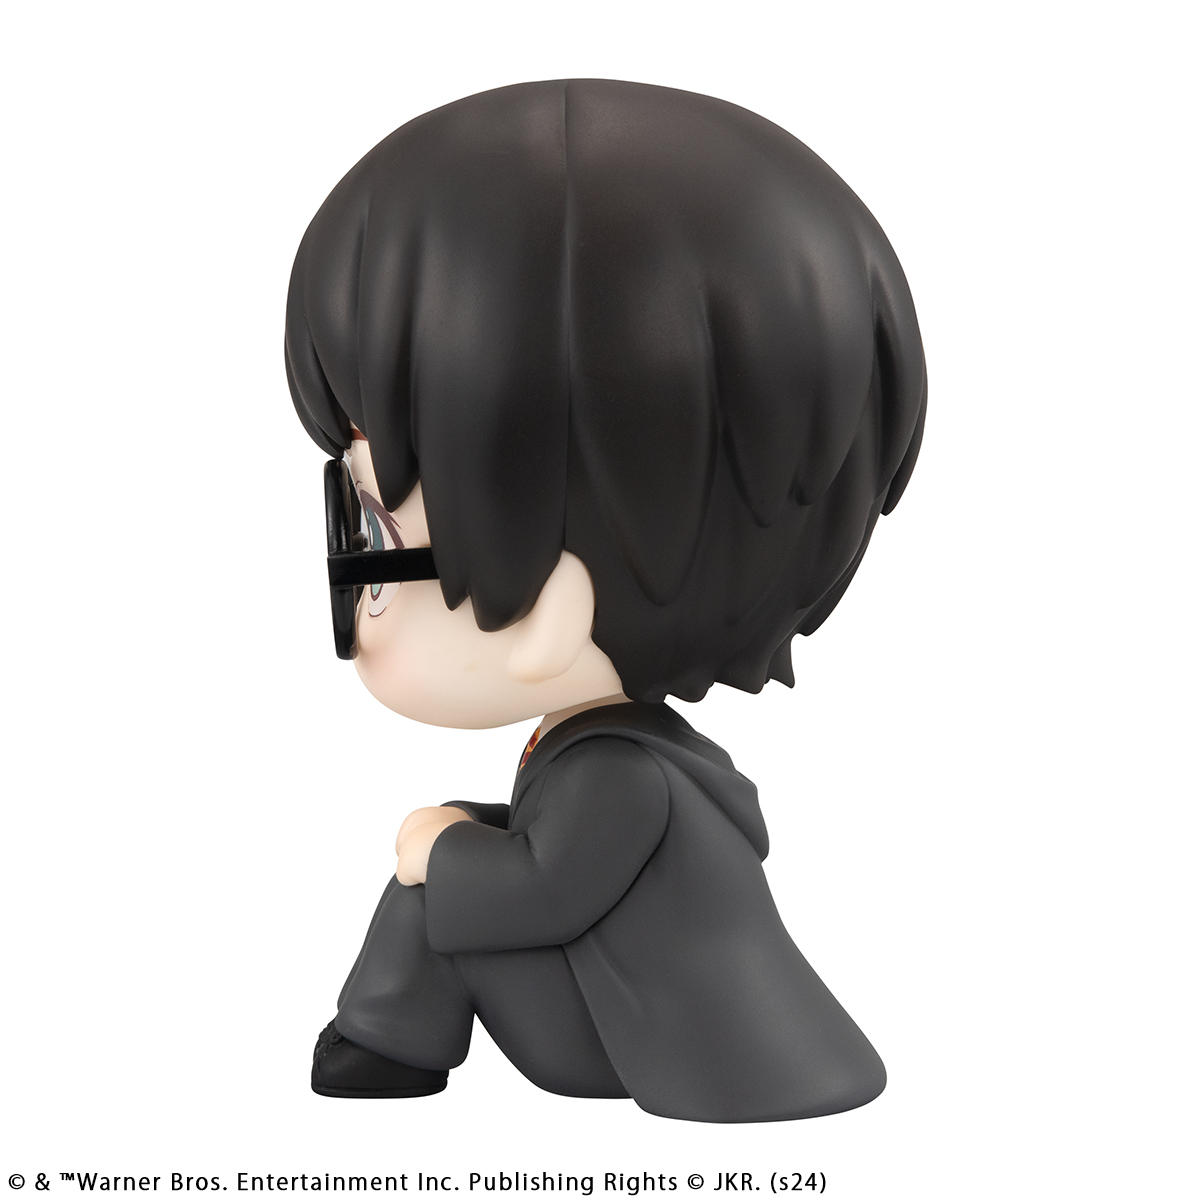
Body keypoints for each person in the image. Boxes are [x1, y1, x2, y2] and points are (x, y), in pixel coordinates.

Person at [284, 78, 926, 1122]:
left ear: (550, 612)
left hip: (626, 1042)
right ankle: (382, 1037)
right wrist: (464, 834)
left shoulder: (620, 776)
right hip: (620, 1004)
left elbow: (543, 891)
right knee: (441, 867)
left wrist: (443, 848)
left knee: (430, 887)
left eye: (380, 532)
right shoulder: (616, 758)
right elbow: (560, 862)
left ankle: (383, 1042)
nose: (360, 575)